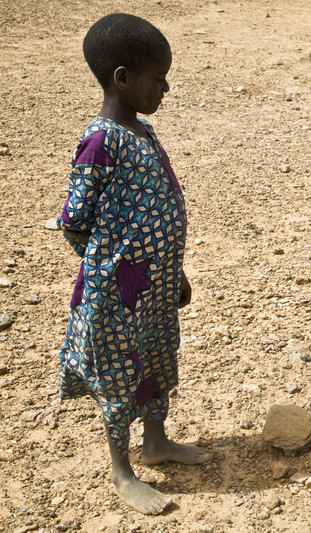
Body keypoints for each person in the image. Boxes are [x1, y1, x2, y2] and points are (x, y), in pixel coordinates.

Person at [57, 13, 210, 515]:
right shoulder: (102, 140)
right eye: (158, 77)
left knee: (158, 358)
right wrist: (112, 269)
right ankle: (123, 472)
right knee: (120, 374)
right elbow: (74, 219)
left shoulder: (142, 129)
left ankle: (157, 441)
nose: (166, 86)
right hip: (119, 290)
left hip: (158, 281)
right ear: (122, 78)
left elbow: (158, 205)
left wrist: (173, 270)